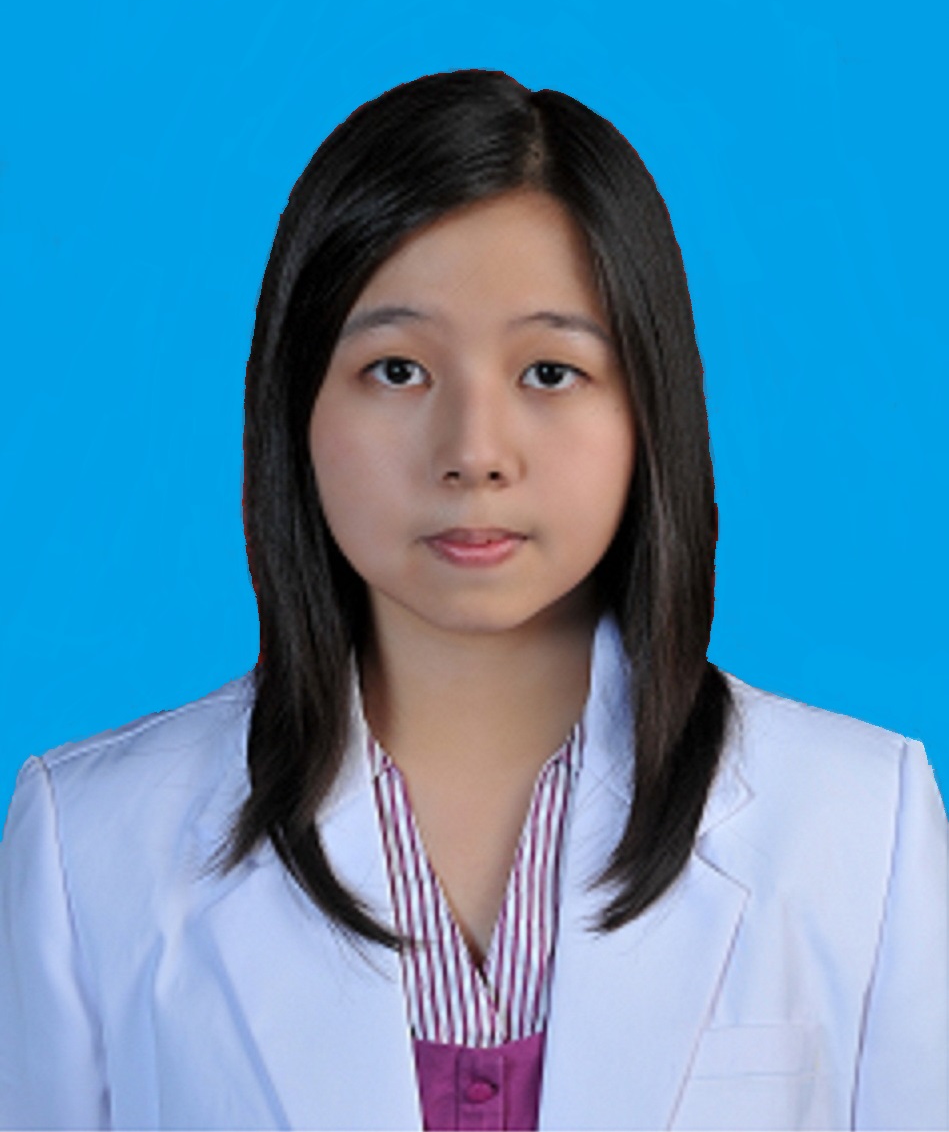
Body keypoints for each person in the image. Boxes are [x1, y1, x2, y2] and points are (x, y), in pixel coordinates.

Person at [0, 69, 946, 1132]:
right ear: (296, 406)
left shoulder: (860, 828)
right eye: (397, 370)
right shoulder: (91, 848)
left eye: (549, 372)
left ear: (649, 410)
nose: (474, 453)